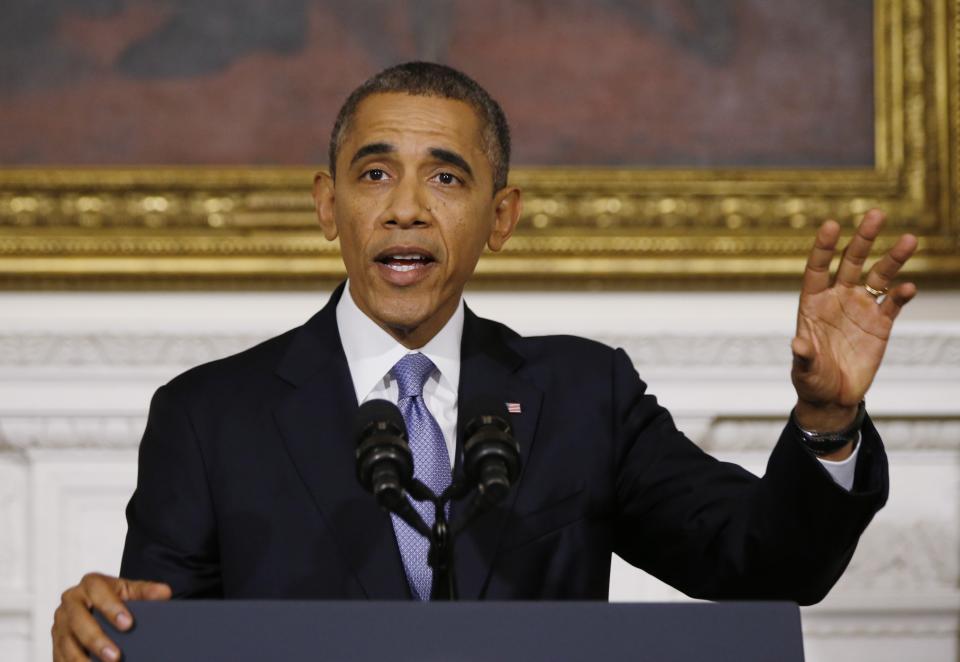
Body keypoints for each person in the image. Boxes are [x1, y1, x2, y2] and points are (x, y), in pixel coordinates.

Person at [51, 62, 918, 662]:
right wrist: (103, 630)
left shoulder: (583, 395)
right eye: (375, 173)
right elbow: (162, 639)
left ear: (501, 218)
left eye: (447, 179)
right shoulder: (209, 418)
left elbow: (768, 562)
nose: (405, 211)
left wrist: (828, 420)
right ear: (328, 205)